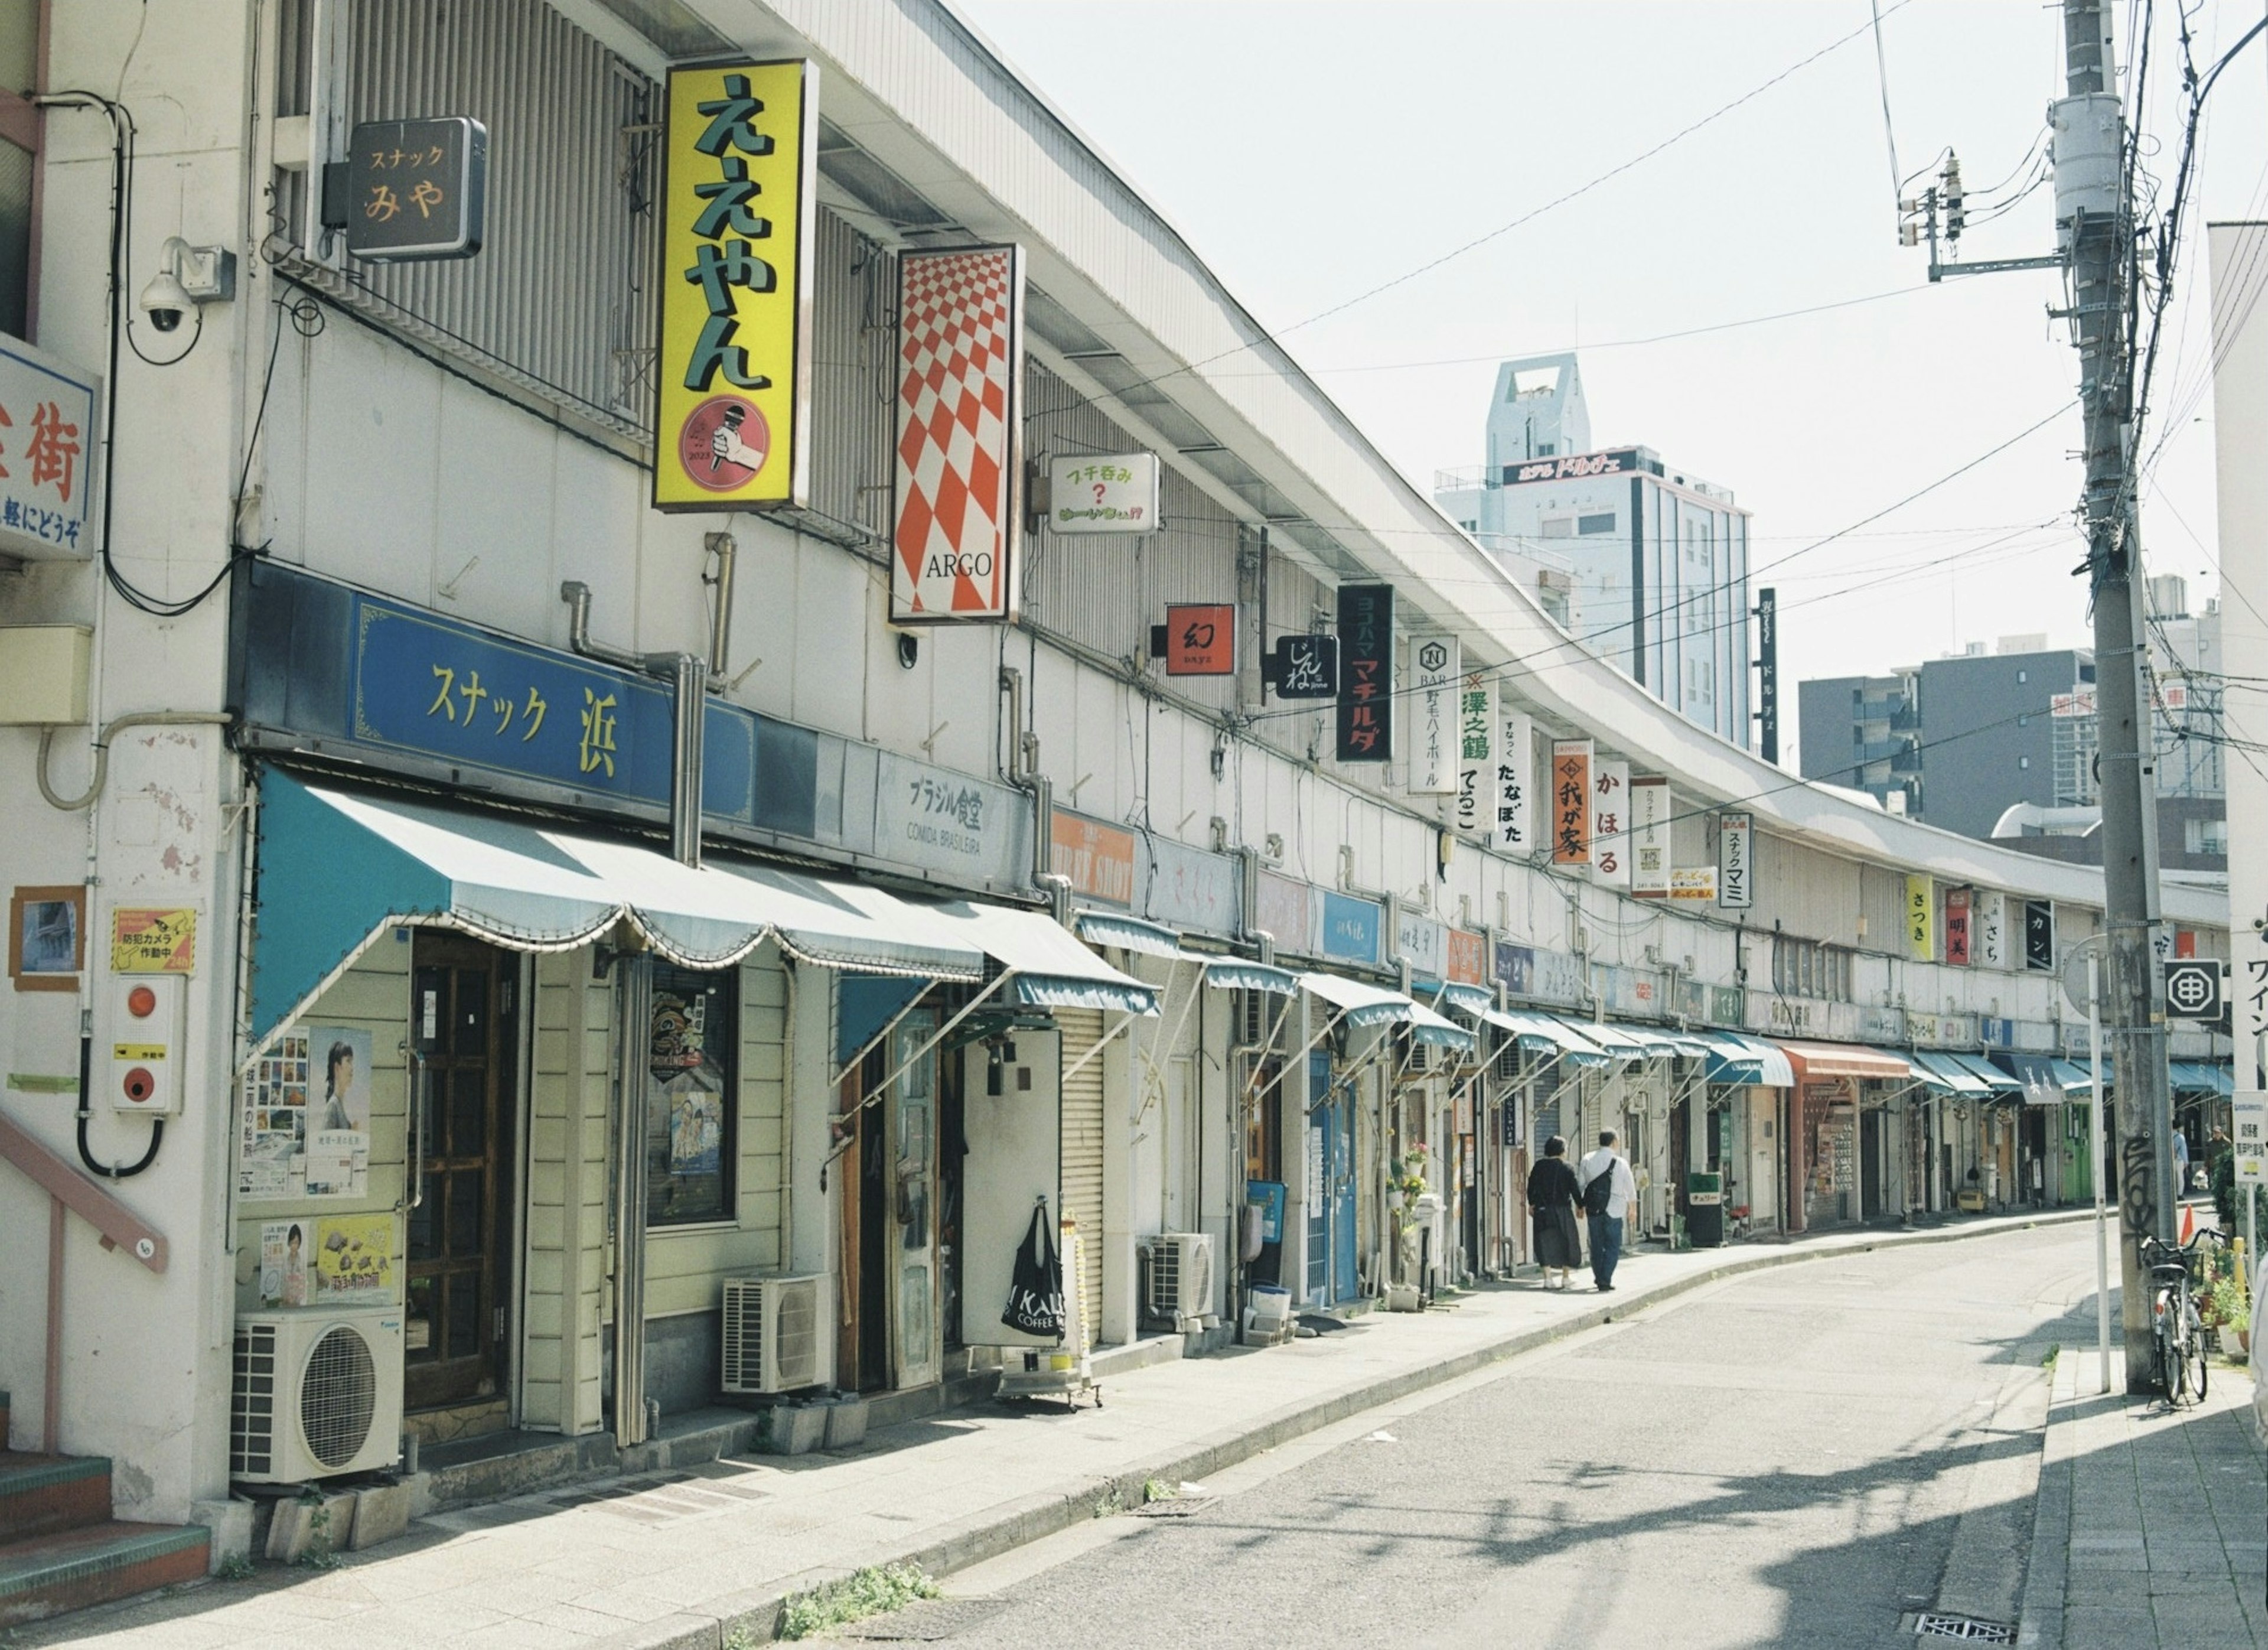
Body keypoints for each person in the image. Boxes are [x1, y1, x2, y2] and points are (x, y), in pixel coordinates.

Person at [1578, 1129, 1638, 1293]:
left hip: (1594, 1208)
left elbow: (1581, 1185)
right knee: (1612, 1245)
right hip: (1615, 1209)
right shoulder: (1621, 1163)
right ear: (1614, 1142)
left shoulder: (1587, 1159)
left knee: (1596, 1245)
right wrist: (1633, 1209)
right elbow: (1630, 1189)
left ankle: (1600, 1277)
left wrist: (1580, 1206)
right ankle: (1605, 1279)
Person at [1525, 1135, 1582, 1290]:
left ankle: (1548, 1279)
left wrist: (1532, 1203)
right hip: (1562, 1210)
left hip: (1543, 1210)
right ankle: (1565, 1278)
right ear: (1562, 1150)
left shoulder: (1539, 1166)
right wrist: (1581, 1206)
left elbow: (1531, 1187)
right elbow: (1575, 1189)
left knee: (1544, 1242)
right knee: (1566, 1242)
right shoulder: (1567, 1167)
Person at [318, 1041, 357, 1131]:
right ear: (337, 1068)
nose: (352, 1068)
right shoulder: (333, 1105)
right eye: (348, 1061)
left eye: (352, 1062)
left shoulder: (339, 1104)